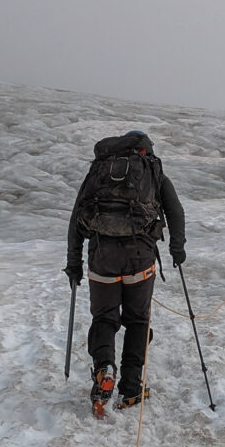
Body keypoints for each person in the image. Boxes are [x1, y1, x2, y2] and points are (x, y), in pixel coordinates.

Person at [65, 130, 186, 414]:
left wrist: (74, 263)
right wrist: (177, 249)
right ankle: (131, 389)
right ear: (145, 150)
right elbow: (176, 211)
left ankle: (104, 368)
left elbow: (76, 218)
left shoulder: (99, 173)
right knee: (137, 320)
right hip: (139, 258)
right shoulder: (152, 172)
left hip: (101, 257)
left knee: (104, 317)